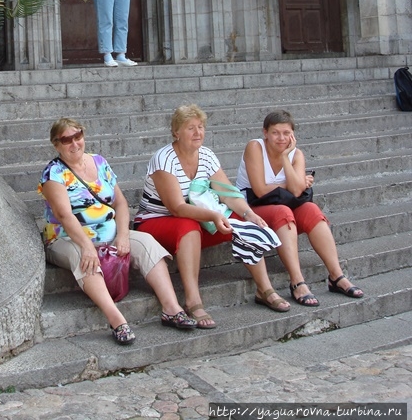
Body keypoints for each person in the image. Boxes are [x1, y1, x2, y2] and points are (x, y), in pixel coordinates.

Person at [38, 117, 197, 345]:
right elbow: (64, 215)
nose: (74, 143)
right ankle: (117, 321)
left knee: (147, 243)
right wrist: (86, 246)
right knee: (84, 258)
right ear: (56, 144)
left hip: (109, 232)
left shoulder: (100, 162)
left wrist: (123, 235)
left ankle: (171, 308)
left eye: (77, 136)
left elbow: (120, 203)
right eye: (66, 140)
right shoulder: (53, 173)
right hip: (66, 237)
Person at [133, 104, 290, 328]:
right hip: (154, 221)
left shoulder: (206, 155)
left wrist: (249, 214)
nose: (198, 133)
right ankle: (193, 301)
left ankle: (265, 289)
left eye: (201, 127)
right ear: (176, 132)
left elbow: (227, 193)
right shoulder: (164, 159)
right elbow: (177, 207)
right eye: (190, 128)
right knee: (187, 225)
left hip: (197, 220)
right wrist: (213, 215)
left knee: (241, 220)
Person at [235, 109, 363, 305]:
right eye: (276, 132)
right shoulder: (255, 147)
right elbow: (260, 190)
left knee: (312, 211)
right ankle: (297, 281)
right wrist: (296, 181)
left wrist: (286, 157)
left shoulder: (296, 154)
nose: (281, 138)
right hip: (252, 208)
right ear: (265, 133)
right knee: (283, 212)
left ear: (292, 135)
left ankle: (336, 276)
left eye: (286, 133)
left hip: (282, 204)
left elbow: (296, 192)